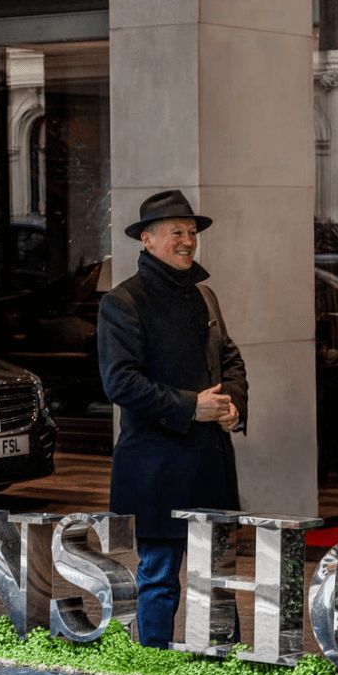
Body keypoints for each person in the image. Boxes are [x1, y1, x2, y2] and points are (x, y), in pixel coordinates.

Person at [96, 189, 248, 648]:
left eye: (191, 232)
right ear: (147, 239)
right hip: (155, 468)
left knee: (218, 583)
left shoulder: (205, 295)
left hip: (209, 465)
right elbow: (120, 383)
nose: (187, 240)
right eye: (175, 232)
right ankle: (155, 671)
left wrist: (233, 404)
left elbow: (231, 359)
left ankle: (222, 671)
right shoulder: (123, 301)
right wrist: (190, 407)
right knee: (160, 578)